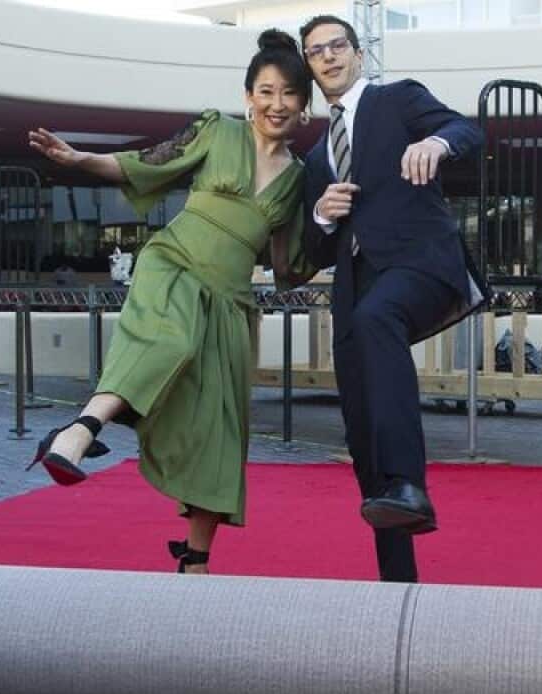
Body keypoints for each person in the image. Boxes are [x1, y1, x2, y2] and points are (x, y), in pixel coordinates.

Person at [26, 29, 322, 574]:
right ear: (247, 97)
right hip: (176, 265)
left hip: (232, 303)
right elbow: (144, 162)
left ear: (305, 105)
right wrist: (78, 159)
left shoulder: (301, 181)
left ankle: (195, 558)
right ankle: (78, 432)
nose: (276, 103)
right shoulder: (218, 130)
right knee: (169, 340)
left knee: (220, 426)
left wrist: (332, 221)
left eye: (288, 94)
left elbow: (287, 268)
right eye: (265, 90)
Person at [299, 15, 486, 583]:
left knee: (380, 316)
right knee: (361, 433)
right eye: (315, 52)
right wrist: (319, 215)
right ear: (309, 66)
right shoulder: (315, 159)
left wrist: (435, 141)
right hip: (357, 288)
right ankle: (398, 582)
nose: (328, 57)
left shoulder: (397, 100)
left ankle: (411, 483)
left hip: (421, 264)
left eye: (337, 46)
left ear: (357, 54)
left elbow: (467, 131)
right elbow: (313, 253)